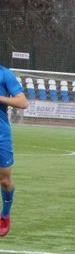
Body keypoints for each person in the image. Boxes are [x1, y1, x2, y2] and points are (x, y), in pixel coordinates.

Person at [0, 66, 28, 237]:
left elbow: (23, 102)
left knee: (4, 180)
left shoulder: (5, 74)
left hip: (1, 134)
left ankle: (5, 214)